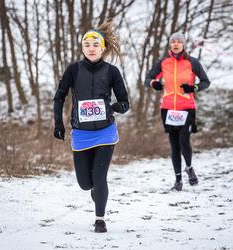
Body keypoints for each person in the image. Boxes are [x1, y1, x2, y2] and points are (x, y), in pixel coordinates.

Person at [53, 21, 129, 232]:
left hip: (106, 132)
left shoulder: (112, 71)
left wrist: (117, 107)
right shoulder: (73, 70)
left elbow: (125, 102)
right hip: (81, 133)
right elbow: (59, 97)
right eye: (87, 44)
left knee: (99, 177)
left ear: (103, 47)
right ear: (82, 48)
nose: (91, 48)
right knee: (86, 184)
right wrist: (58, 123)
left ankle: (100, 219)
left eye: (95, 44)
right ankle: (96, 190)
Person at [144, 32, 210, 191]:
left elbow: (206, 82)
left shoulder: (192, 62)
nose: (176, 44)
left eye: (179, 41)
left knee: (184, 141)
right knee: (174, 145)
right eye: (173, 41)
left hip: (186, 108)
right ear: (170, 44)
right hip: (168, 109)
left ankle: (189, 167)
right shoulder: (163, 62)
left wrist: (193, 87)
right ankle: (178, 180)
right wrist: (155, 84)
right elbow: (148, 79)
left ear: (183, 44)